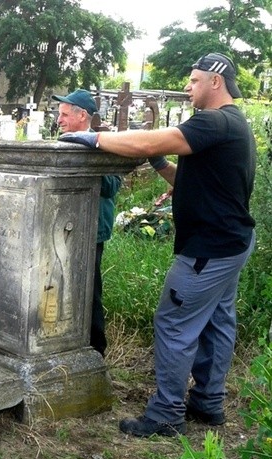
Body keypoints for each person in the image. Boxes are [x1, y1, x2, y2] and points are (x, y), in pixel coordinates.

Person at [60, 53, 256, 437]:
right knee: (217, 322)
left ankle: (166, 413)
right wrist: (161, 165)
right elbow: (196, 183)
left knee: (174, 323)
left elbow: (157, 137)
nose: (188, 87)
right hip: (231, 242)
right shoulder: (235, 125)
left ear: (216, 82)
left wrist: (97, 138)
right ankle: (208, 402)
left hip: (207, 249)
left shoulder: (214, 120)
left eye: (194, 80)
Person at [52, 89, 121, 357]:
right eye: (59, 115)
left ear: (82, 116)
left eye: (65, 114)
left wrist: (86, 150)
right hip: (66, 228)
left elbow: (111, 186)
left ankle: (95, 349)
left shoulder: (104, 144)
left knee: (89, 291)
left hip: (91, 231)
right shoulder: (64, 140)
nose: (59, 120)